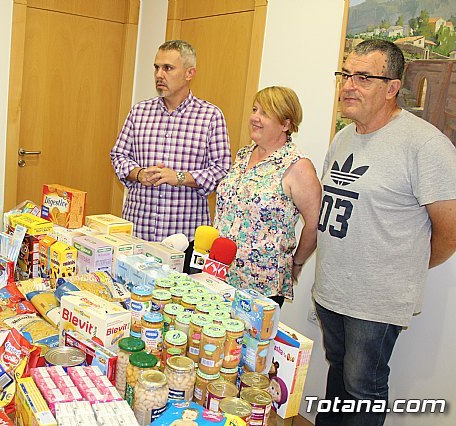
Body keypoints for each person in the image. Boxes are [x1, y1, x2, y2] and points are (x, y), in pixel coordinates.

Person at [313, 39, 456, 426]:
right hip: (332, 291)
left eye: (362, 77)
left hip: (376, 300)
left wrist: (403, 269)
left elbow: (449, 231)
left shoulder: (425, 145)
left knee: (363, 389)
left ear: (392, 87)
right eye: (345, 74)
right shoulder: (343, 137)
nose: (347, 85)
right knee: (338, 375)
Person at [110, 39, 231, 244]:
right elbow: (118, 155)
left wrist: (181, 177)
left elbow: (222, 171)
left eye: (168, 68)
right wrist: (139, 174)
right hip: (138, 232)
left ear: (189, 73)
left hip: (185, 237)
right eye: (156, 67)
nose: (159, 74)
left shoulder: (211, 116)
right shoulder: (139, 111)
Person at [213, 86, 321, 307]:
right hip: (219, 273)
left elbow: (315, 223)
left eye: (265, 113)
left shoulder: (297, 166)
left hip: (259, 287)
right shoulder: (244, 154)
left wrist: (297, 262)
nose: (255, 118)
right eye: (255, 109)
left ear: (286, 124)